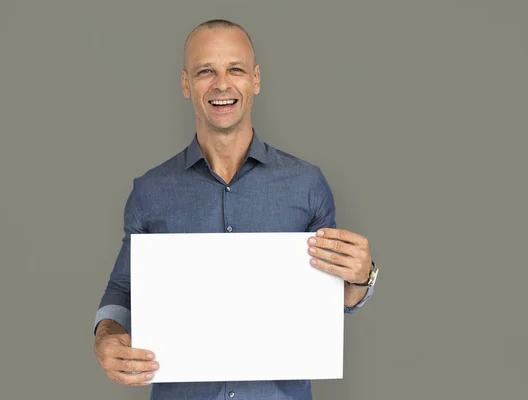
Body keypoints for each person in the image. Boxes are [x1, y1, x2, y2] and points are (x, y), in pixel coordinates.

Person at [93, 19, 377, 400]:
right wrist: (106, 337)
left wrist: (362, 277)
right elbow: (123, 288)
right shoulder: (150, 191)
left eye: (236, 69)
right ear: (185, 84)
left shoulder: (306, 185)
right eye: (205, 71)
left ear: (255, 80)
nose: (222, 84)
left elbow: (332, 297)